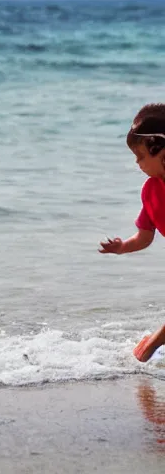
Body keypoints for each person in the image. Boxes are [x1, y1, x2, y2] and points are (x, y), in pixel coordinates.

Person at [99, 103, 165, 362]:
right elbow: (145, 236)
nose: (137, 163)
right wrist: (122, 247)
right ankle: (152, 342)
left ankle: (153, 343)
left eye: (140, 156)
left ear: (158, 149)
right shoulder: (150, 191)